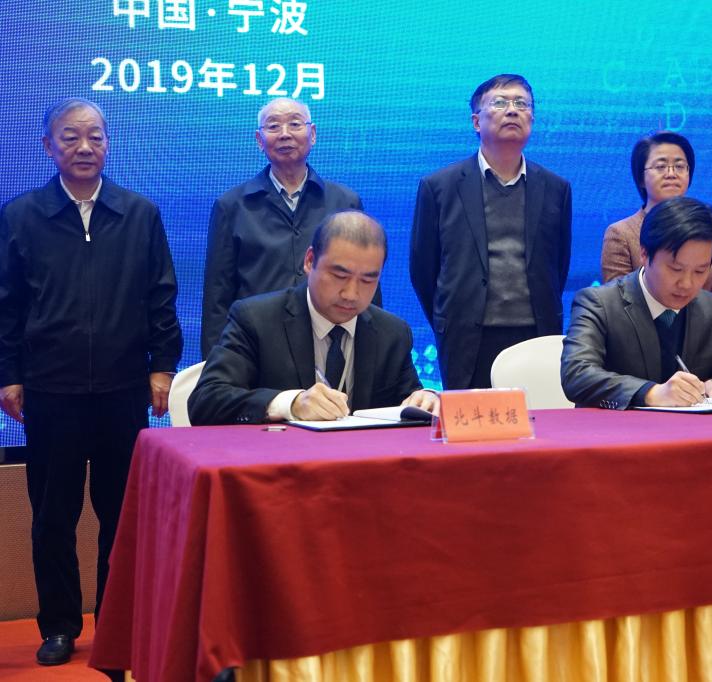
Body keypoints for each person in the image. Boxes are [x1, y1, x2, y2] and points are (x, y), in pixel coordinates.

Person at [0, 98, 182, 666]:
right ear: (48, 146)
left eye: (95, 136)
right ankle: (58, 625)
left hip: (121, 389)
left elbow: (161, 296)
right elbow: (7, 305)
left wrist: (163, 365)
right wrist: (9, 375)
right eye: (71, 137)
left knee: (120, 515)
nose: (84, 147)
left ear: (108, 143)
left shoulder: (139, 213)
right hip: (49, 390)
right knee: (52, 516)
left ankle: (116, 621)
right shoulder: (21, 215)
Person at [189, 211, 436, 425]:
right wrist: (290, 404)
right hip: (281, 460)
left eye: (367, 280)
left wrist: (426, 399)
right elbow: (206, 400)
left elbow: (410, 400)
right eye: (339, 276)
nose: (351, 294)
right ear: (309, 261)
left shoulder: (392, 333)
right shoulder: (256, 320)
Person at [410, 74, 572, 389]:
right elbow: (423, 269)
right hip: (466, 337)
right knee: (471, 419)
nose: (512, 110)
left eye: (521, 103)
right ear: (476, 121)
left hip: (536, 335)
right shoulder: (439, 186)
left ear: (532, 118)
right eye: (499, 103)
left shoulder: (556, 188)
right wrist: (448, 320)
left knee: (539, 417)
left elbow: (558, 266)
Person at [201, 97, 367, 357]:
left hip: (331, 344)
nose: (285, 134)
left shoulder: (345, 202)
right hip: (255, 346)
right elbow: (217, 297)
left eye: (295, 124)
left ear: (313, 134)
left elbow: (365, 282)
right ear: (259, 140)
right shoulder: (231, 206)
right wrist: (215, 365)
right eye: (273, 126)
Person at [561, 196, 712, 409]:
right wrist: (650, 393)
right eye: (675, 269)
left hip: (693, 429)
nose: (686, 284)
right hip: (618, 428)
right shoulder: (599, 304)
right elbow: (577, 375)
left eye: (700, 271)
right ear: (644, 254)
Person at [600, 131, 712, 307]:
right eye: (661, 166)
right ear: (641, 178)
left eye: (679, 166)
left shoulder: (707, 226)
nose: (671, 174)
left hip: (705, 324)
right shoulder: (620, 234)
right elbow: (619, 305)